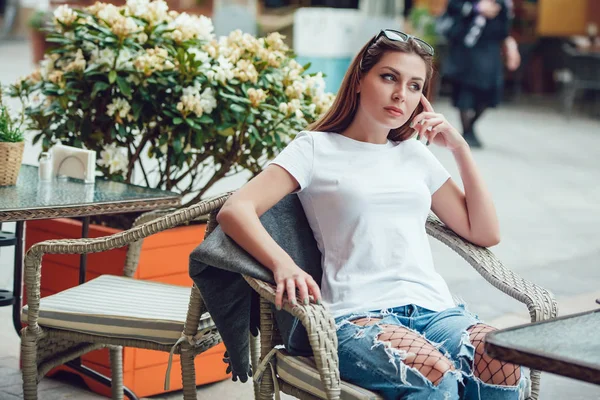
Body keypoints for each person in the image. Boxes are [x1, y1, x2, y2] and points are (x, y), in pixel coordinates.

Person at [216, 29, 527, 399]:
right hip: (358, 314)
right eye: (389, 77)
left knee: (502, 356)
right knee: (433, 374)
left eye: (415, 86)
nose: (401, 94)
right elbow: (237, 209)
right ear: (360, 79)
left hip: (436, 309)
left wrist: (460, 149)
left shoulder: (414, 155)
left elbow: (485, 232)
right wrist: (283, 263)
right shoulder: (316, 148)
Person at [442, 0, 514, 148]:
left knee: (490, 92)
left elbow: (505, 30)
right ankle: (467, 131)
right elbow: (452, 7)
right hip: (464, 48)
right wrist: (476, 8)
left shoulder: (502, 3)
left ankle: (470, 128)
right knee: (464, 91)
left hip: (489, 50)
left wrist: (511, 48)